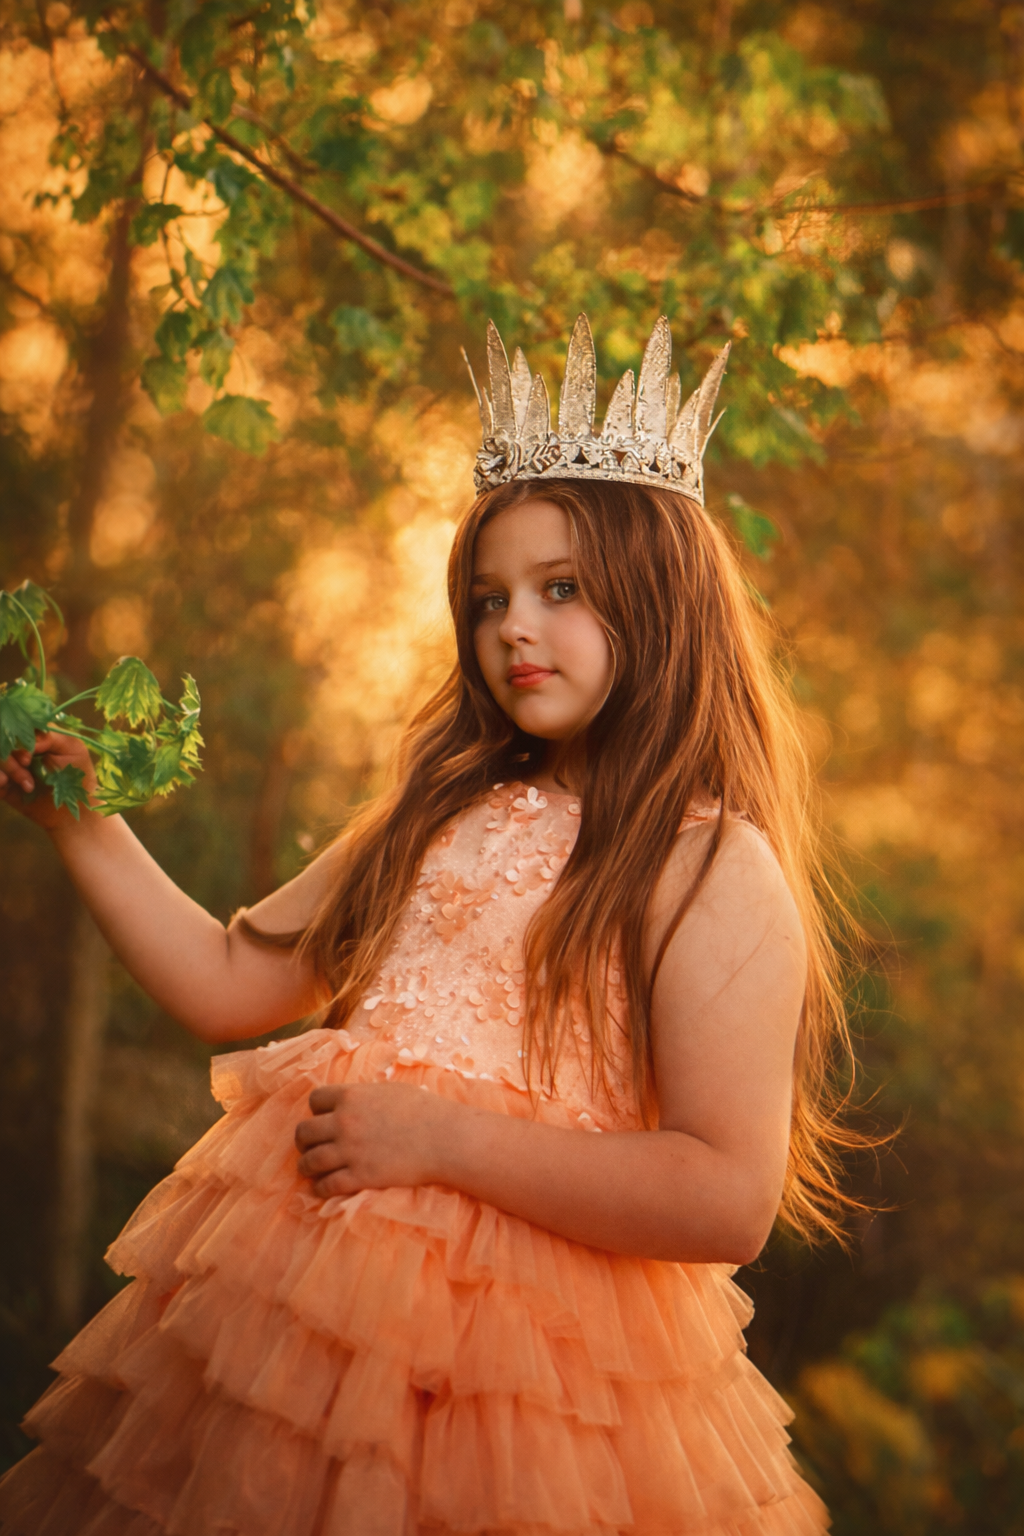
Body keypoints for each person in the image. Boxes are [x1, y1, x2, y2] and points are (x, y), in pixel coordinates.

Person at [0, 314, 848, 1535]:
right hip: (298, 1329)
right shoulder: (438, 809)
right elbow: (233, 982)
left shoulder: (709, 864)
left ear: (660, 601)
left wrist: (438, 1141)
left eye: (561, 592)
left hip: (534, 1376)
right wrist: (83, 824)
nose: (513, 627)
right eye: (489, 596)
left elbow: (723, 1194)